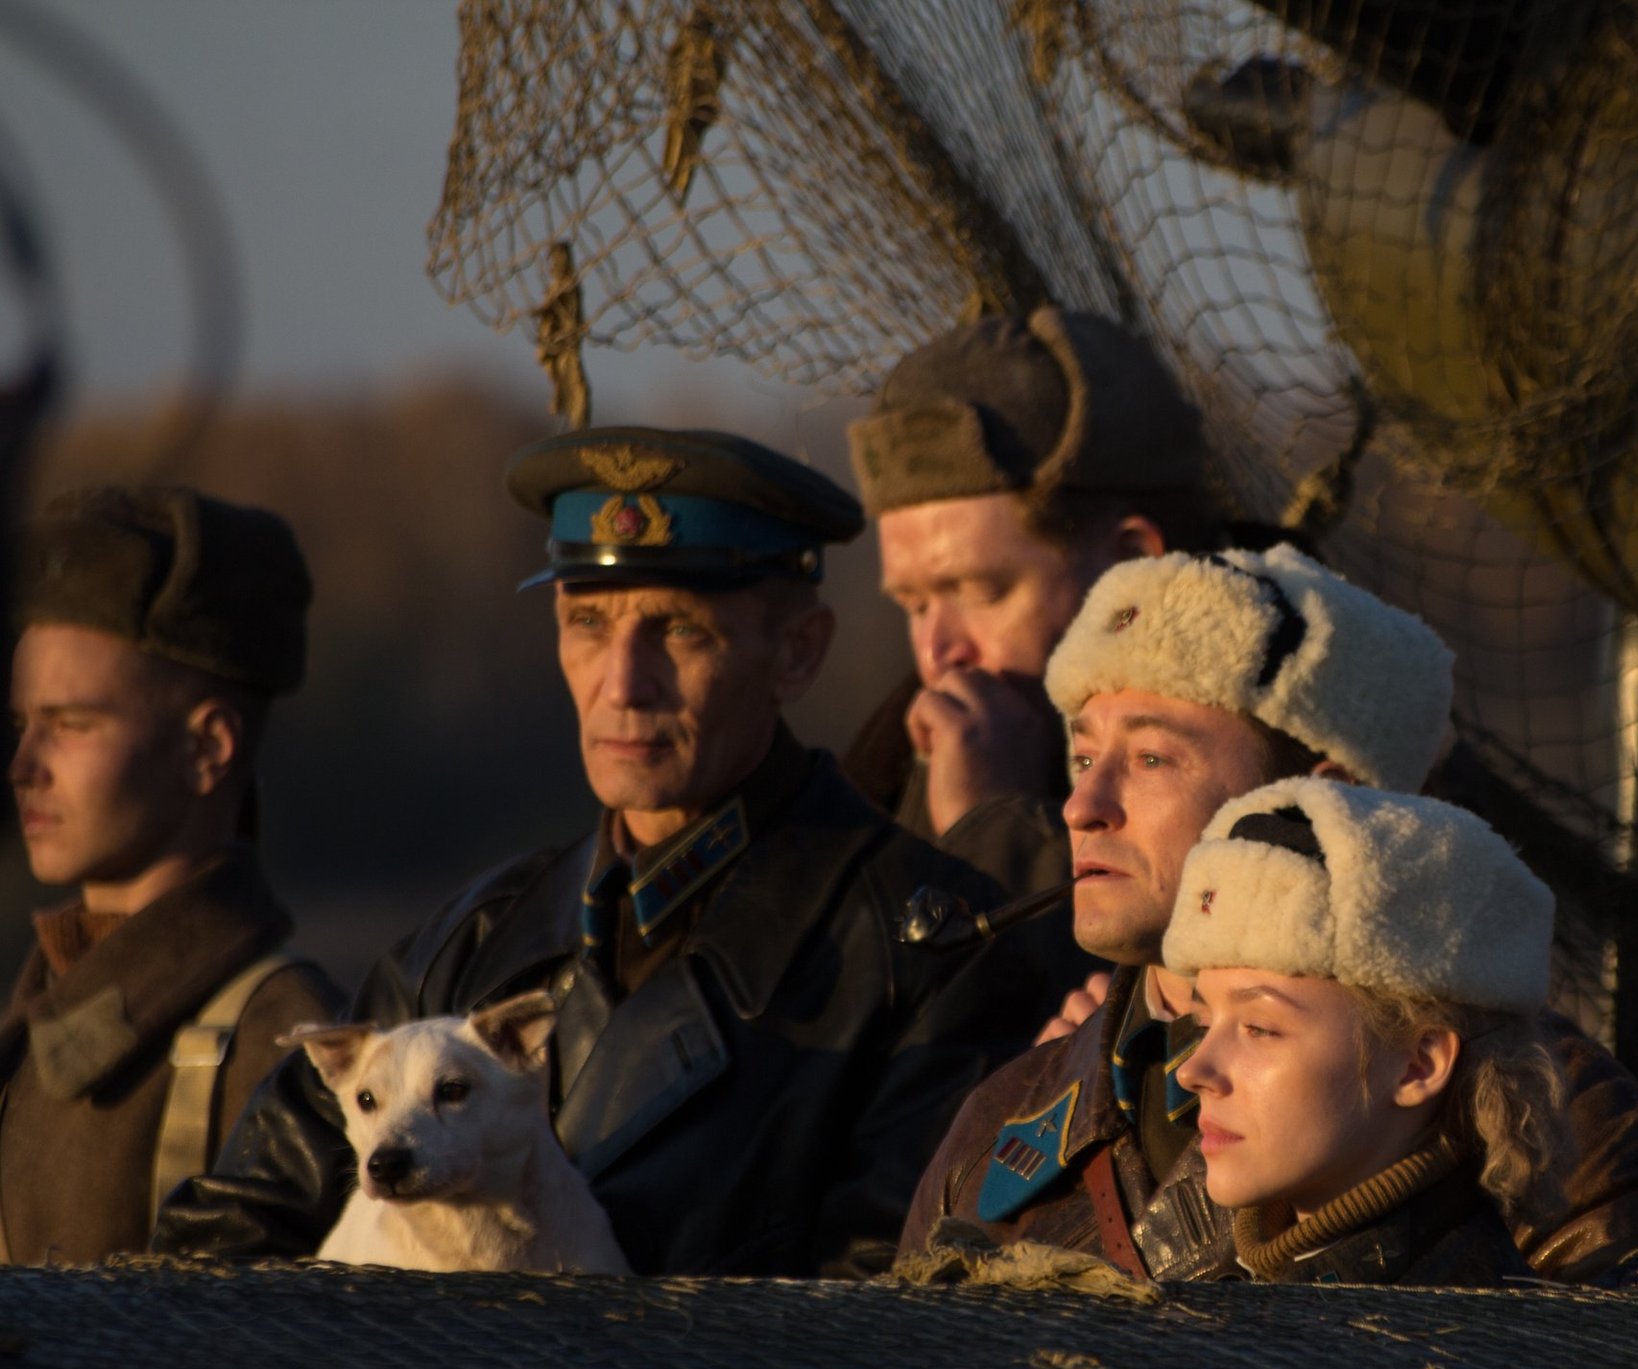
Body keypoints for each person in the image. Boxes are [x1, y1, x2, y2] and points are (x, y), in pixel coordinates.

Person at [156, 426, 1055, 1276]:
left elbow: (885, 1328)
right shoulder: (469, 942)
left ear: (797, 653)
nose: (622, 685)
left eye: (677, 630)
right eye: (588, 623)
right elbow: (226, 1244)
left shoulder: (924, 954)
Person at [900, 541, 1638, 1281]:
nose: (1083, 805)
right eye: (1083, 756)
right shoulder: (1005, 1115)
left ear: (1331, 796)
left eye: (1154, 757)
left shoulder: (1537, 1104)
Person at [2, 486, 340, 1265]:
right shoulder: (30, 1033)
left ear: (208, 749)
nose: (22, 768)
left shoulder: (286, 1054)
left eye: (72, 725)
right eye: (22, 726)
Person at [842, 308, 1220, 898]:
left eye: (981, 592)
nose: (939, 653)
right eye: (915, 606)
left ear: (1132, 570)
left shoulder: (1267, 783)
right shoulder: (878, 781)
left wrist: (995, 832)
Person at [1164, 777, 1569, 1286]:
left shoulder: (1460, 1345)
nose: (1193, 1072)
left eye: (1259, 1028)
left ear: (1418, 1064)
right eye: (1203, 1023)